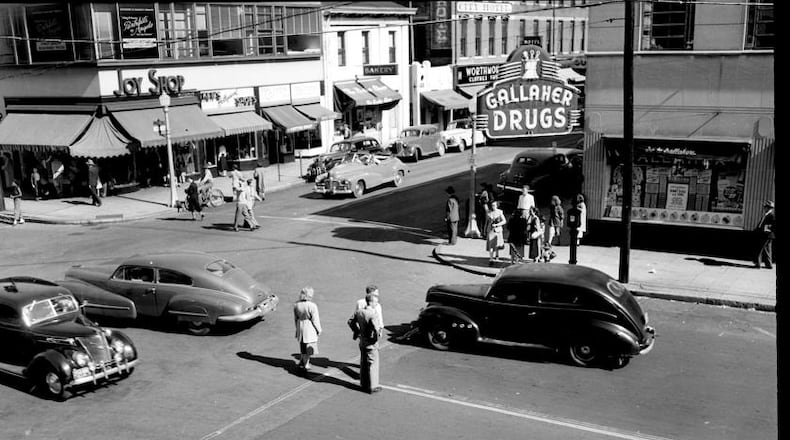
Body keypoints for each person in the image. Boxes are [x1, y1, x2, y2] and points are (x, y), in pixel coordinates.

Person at [349, 291, 383, 394]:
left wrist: (357, 331)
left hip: (362, 340)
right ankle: (373, 386)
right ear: (371, 302)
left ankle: (363, 383)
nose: (376, 304)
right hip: (370, 342)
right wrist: (376, 339)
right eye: (375, 302)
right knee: (372, 363)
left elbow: (350, 322)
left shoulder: (359, 312)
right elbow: (376, 329)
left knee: (363, 362)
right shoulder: (373, 314)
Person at [293, 286, 321, 371]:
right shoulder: (312, 306)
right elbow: (315, 319)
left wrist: (297, 329)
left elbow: (295, 318)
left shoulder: (296, 304)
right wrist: (319, 330)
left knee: (302, 346)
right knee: (308, 348)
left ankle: (302, 361)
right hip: (309, 328)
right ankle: (306, 364)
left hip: (300, 326)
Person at [754, 200, 775, 269]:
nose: (764, 208)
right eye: (765, 207)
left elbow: (771, 226)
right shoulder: (765, 215)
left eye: (766, 207)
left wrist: (767, 231)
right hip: (765, 234)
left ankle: (758, 264)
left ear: (770, 208)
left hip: (766, 235)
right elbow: (761, 225)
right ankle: (769, 265)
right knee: (767, 250)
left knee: (759, 248)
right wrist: (757, 229)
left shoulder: (771, 216)